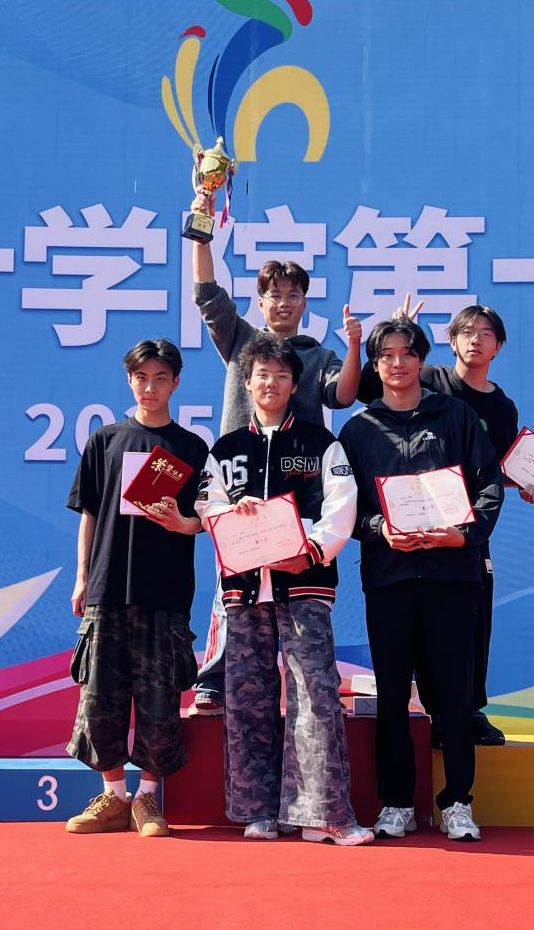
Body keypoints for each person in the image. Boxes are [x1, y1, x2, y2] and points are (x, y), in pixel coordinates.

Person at [195, 333, 373, 846]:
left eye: (281, 375)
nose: (270, 383)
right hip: (244, 590)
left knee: (315, 695)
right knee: (247, 697)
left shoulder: (321, 444)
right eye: (262, 375)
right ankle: (257, 810)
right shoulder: (226, 450)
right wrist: (233, 512)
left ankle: (322, 814)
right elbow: (208, 506)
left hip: (305, 584)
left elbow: (342, 503)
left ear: (296, 385)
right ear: (246, 384)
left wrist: (311, 550)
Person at [339, 318, 503, 842]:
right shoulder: (358, 431)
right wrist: (379, 529)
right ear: (375, 364)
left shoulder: (457, 416)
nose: (398, 362)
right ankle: (396, 803)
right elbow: (345, 509)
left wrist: (464, 535)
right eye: (386, 354)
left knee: (452, 695)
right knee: (391, 695)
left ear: (421, 359)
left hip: (451, 576)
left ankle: (457, 802)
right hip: (389, 579)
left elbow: (489, 486)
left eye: (407, 352)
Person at [356, 296, 534, 747]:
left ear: (499, 346)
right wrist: (398, 333)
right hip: (405, 531)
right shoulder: (430, 378)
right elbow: (372, 389)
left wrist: (529, 482)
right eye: (466, 332)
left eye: (485, 334)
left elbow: (492, 468)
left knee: (472, 621)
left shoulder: (502, 407)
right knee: (412, 632)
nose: (475, 340)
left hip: (460, 531)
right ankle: (436, 715)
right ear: (451, 342)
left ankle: (466, 710)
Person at [188, 237, 363, 715]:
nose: (283, 303)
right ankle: (213, 679)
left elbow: (343, 396)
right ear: (260, 301)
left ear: (304, 303)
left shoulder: (318, 355)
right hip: (242, 488)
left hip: (297, 493)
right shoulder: (241, 340)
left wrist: (353, 346)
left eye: (293, 295)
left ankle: (309, 690)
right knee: (233, 588)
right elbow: (207, 293)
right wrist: (201, 233)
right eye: (274, 295)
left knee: (298, 602)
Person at [65, 338, 210, 837]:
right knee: (99, 698)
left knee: (158, 700)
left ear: (176, 382)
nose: (150, 387)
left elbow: (209, 517)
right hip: (108, 586)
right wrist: (83, 576)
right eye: (141, 378)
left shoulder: (191, 448)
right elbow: (88, 513)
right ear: (129, 381)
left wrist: (183, 524)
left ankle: (147, 798)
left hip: (165, 591)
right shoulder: (105, 440)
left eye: (160, 378)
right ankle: (113, 796)